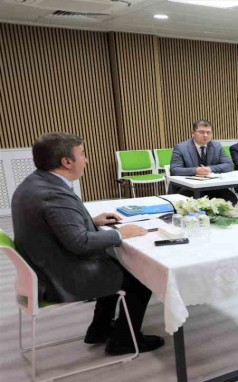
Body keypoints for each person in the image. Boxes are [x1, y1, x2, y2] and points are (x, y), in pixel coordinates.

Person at [11, 133, 164, 355]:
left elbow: (56, 224)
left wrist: (90, 221)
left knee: (116, 264)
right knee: (140, 276)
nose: (87, 160)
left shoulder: (36, 182)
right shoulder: (53, 194)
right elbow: (80, 242)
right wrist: (121, 233)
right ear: (67, 162)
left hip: (44, 266)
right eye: (82, 154)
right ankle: (124, 341)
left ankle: (99, 329)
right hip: (58, 277)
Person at [170, 119, 238, 205]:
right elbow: (174, 169)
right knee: (198, 204)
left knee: (231, 199)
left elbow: (229, 165)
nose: (205, 135)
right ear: (193, 133)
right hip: (189, 187)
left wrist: (210, 169)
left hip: (212, 185)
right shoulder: (181, 147)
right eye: (201, 132)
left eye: (208, 132)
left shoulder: (216, 146)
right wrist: (196, 170)